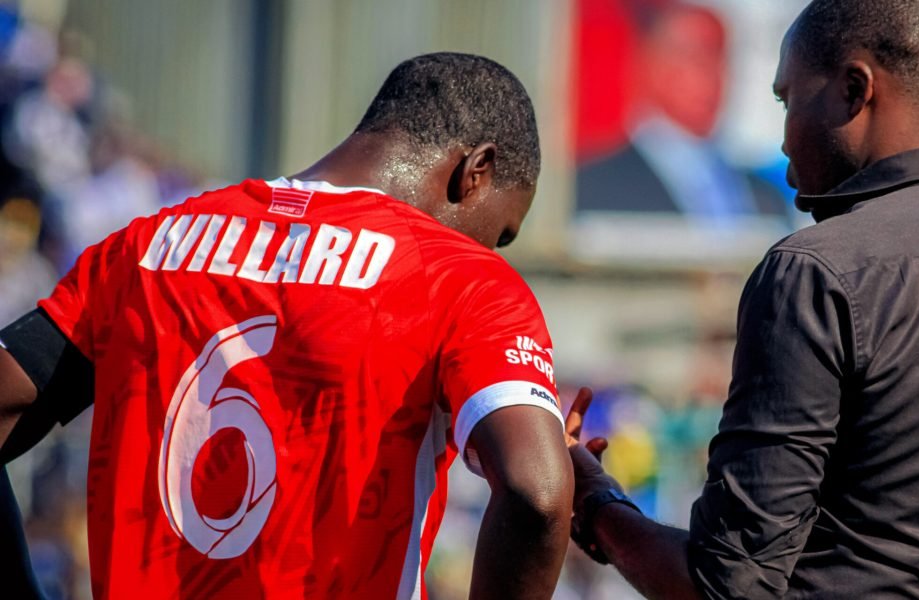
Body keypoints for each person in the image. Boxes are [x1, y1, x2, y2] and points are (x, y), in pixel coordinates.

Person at [566, 1, 919, 598]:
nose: (784, 134)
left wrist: (592, 500)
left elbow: (729, 585)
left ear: (853, 90)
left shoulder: (816, 274)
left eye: (787, 100)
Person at [0, 52, 578, 599]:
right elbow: (537, 494)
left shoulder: (147, 245)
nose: (494, 249)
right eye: (501, 233)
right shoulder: (459, 277)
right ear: (475, 172)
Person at [574, 2, 787, 221]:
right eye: (693, 55)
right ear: (650, 63)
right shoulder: (592, 186)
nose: (710, 74)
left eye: (720, 56)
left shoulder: (765, 196)